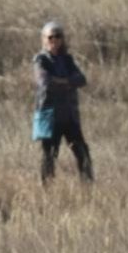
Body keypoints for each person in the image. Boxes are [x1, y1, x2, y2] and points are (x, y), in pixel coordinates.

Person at [33, 21, 92, 184]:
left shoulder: (67, 60)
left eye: (58, 36)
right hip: (50, 115)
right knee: (50, 154)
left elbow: (81, 79)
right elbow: (44, 81)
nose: (55, 40)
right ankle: (47, 188)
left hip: (69, 115)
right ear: (44, 39)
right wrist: (67, 81)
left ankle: (88, 186)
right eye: (50, 37)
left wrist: (60, 81)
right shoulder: (41, 60)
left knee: (82, 152)